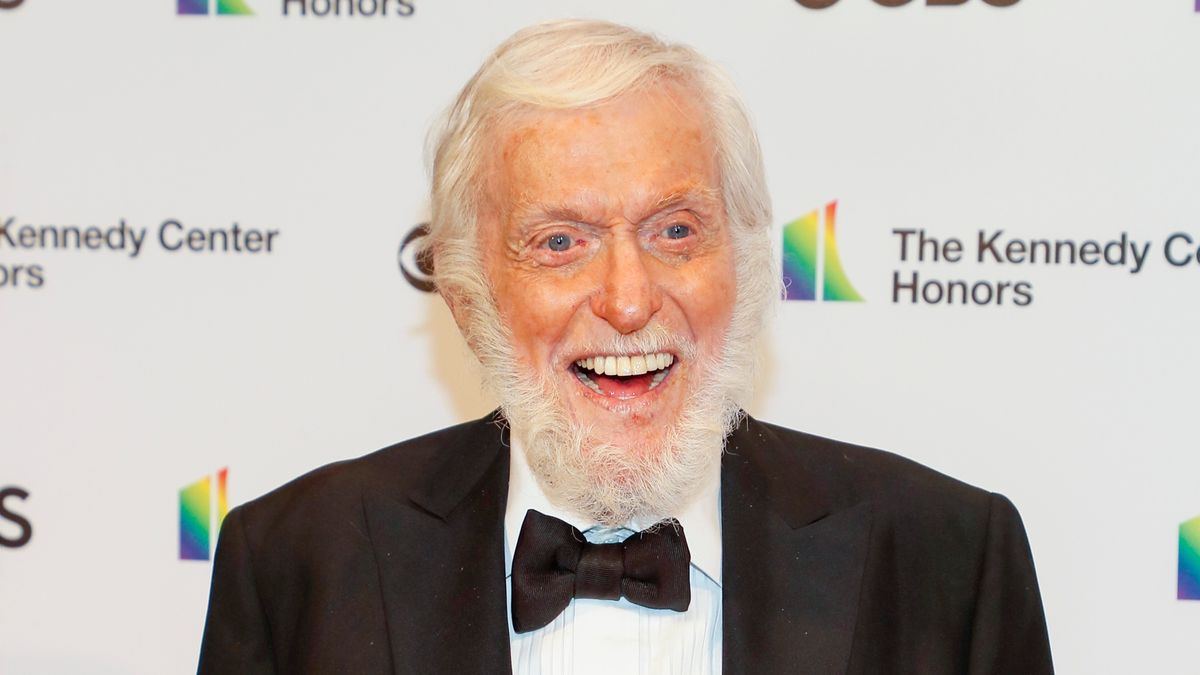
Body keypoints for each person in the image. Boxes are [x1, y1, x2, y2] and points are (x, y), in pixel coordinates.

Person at [198, 19, 1053, 674]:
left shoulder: (950, 558)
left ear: (751, 266)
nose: (630, 299)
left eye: (676, 230)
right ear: (465, 297)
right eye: (560, 241)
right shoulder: (296, 561)